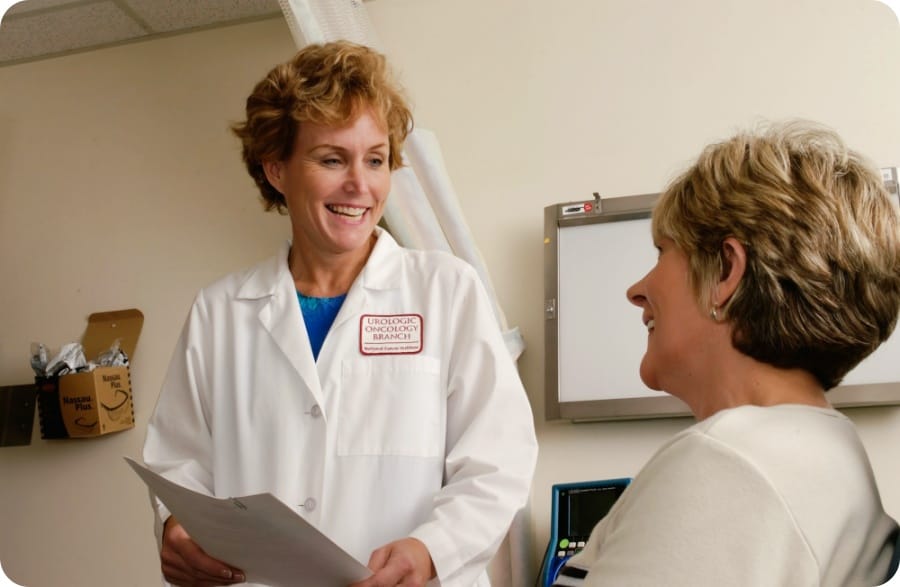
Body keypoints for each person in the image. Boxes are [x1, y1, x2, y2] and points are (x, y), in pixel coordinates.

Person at [142, 40, 538, 587]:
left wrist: (432, 550)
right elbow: (178, 461)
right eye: (332, 159)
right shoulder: (220, 312)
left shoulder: (446, 292)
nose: (360, 184)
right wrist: (175, 528)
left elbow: (498, 460)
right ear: (276, 169)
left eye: (375, 160)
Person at [553, 121, 900, 587]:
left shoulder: (729, 465)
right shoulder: (824, 450)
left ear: (725, 272)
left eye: (662, 253)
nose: (636, 290)